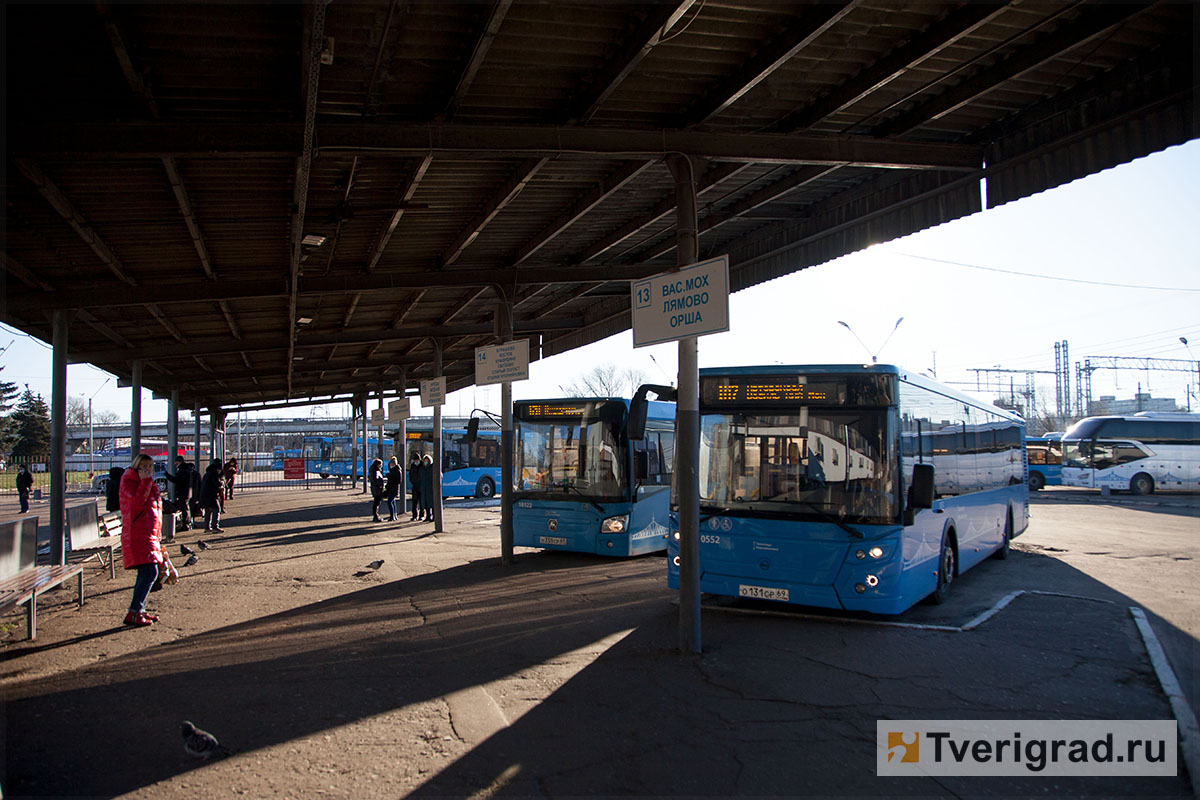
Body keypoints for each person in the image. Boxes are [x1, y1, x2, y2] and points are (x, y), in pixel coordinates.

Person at [119, 454, 165, 627]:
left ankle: (139, 610)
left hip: (148, 534)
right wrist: (146, 481)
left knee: (146, 573)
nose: (148, 471)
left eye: (150, 467)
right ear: (136, 468)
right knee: (150, 573)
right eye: (144, 468)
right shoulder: (129, 483)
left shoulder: (148, 483)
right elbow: (138, 502)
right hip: (138, 535)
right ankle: (134, 611)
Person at [165, 457, 196, 531]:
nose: (175, 464)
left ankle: (186, 524)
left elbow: (178, 480)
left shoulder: (182, 470)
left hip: (183, 493)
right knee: (186, 508)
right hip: (187, 492)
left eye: (176, 462)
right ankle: (188, 523)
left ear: (179, 462)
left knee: (184, 508)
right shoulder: (187, 470)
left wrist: (167, 476)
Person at [198, 459, 225, 533]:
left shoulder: (207, 473)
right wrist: (221, 484)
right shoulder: (214, 474)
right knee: (217, 509)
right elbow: (217, 484)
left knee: (208, 511)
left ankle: (207, 527)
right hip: (211, 495)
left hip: (204, 495)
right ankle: (215, 527)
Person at [384, 456, 403, 521]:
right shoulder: (393, 470)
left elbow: (398, 481)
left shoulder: (396, 471)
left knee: (390, 501)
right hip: (392, 489)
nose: (391, 465)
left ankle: (392, 516)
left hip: (393, 489)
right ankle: (394, 515)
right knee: (392, 501)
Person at [419, 453, 435, 522]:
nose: (425, 462)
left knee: (432, 503)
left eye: (427, 461)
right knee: (426, 503)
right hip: (424, 488)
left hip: (431, 488)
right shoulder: (422, 469)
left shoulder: (433, 468)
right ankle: (428, 516)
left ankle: (434, 516)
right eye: (424, 460)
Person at [408, 450, 423, 521]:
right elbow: (410, 475)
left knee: (421, 502)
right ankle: (414, 516)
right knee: (414, 502)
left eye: (417, 460)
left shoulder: (422, 465)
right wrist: (413, 482)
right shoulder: (412, 466)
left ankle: (421, 515)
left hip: (421, 486)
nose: (416, 461)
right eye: (415, 460)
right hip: (415, 486)